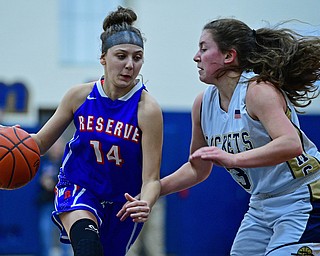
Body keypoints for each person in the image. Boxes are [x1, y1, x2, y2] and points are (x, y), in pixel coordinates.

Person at [118, 18, 320, 256]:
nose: (196, 56)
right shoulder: (203, 104)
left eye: (204, 48)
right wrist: (151, 192)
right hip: (261, 203)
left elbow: (291, 144)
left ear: (228, 56)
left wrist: (233, 159)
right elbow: (197, 169)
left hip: (303, 197)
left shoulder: (257, 91)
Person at [31, 6, 163, 256]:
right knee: (88, 249)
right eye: (121, 56)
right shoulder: (79, 95)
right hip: (79, 186)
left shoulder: (148, 109)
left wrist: (146, 201)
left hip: (122, 203)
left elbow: (151, 179)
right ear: (103, 58)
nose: (129, 65)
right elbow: (38, 142)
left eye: (137, 57)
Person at [37, 138, 72, 256]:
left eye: (58, 146)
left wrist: (53, 183)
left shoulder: (65, 162)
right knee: (45, 229)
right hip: (47, 202)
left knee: (65, 231)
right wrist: (43, 181)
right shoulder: (43, 162)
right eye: (54, 146)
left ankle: (66, 254)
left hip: (62, 203)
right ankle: (45, 253)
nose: (56, 149)